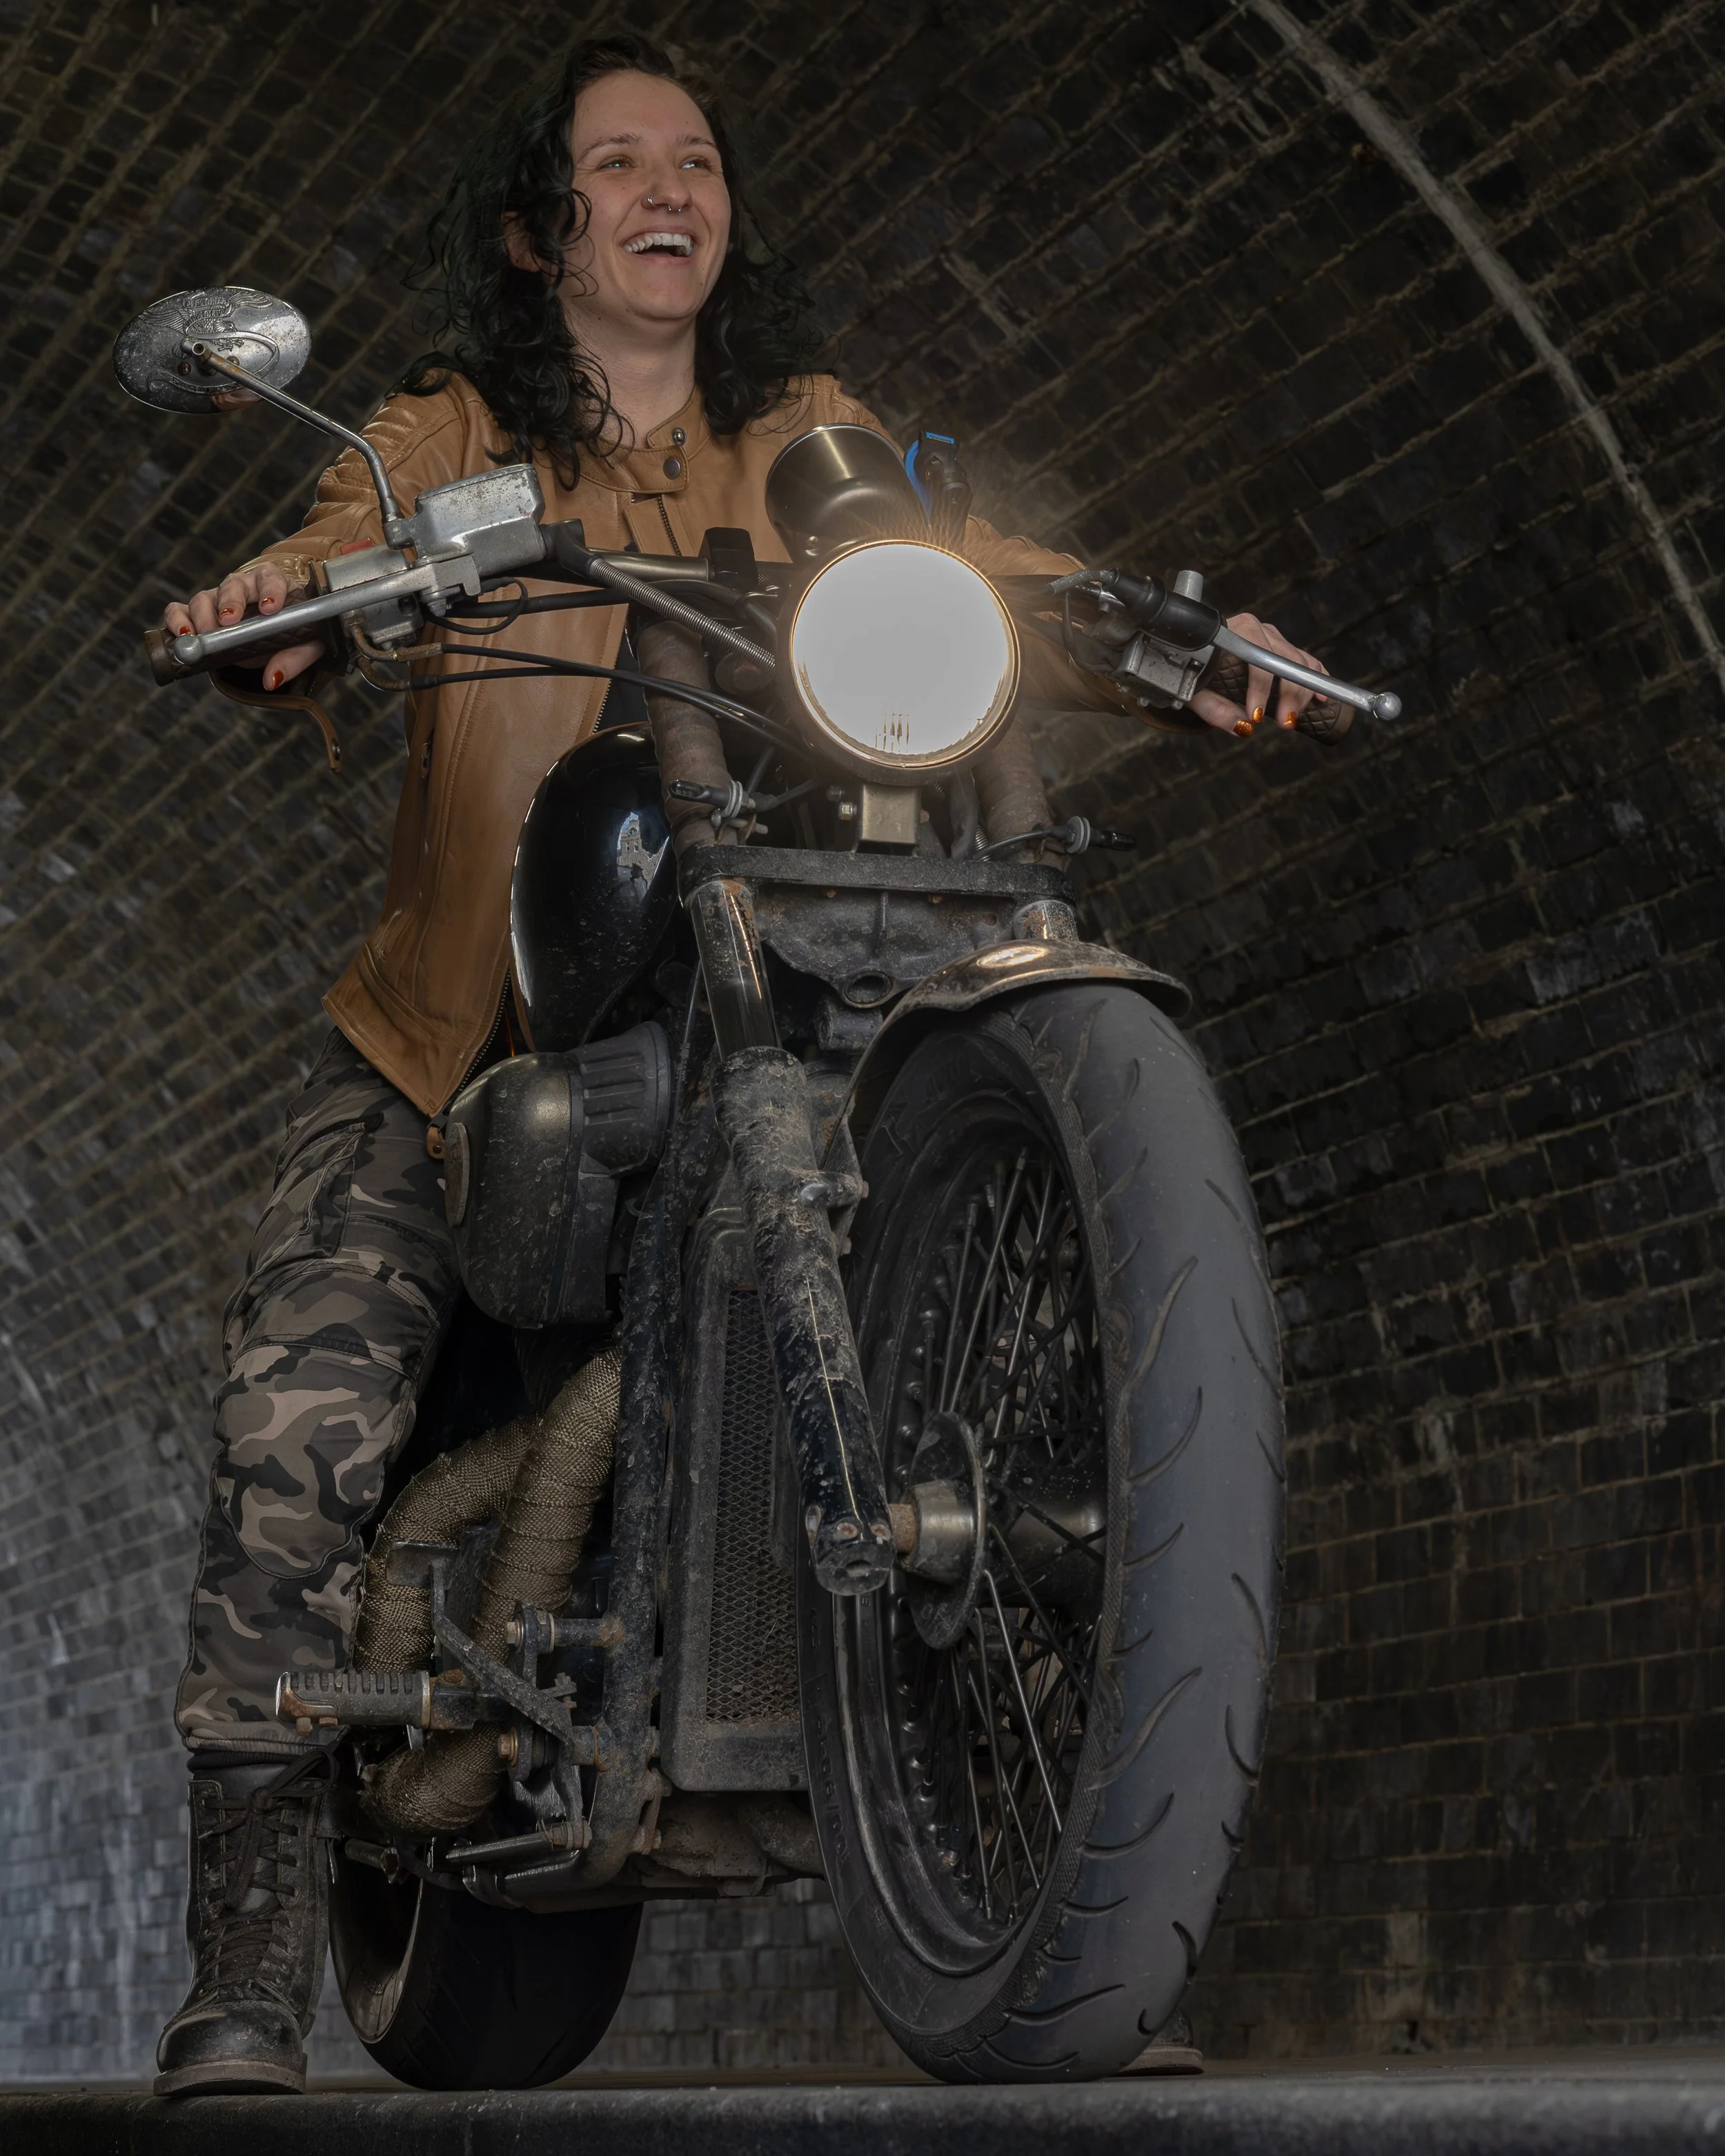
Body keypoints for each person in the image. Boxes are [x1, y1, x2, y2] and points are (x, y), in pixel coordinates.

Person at [151, 32, 1330, 2096]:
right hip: (468, 1028)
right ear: (543, 231)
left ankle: (1057, 1905)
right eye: (617, 165)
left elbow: (943, 553)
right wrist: (287, 601)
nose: (666, 188)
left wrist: (1161, 629)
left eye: (692, 158)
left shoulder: (797, 432)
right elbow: (333, 547)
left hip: (773, 969)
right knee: (296, 1424)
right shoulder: (442, 432)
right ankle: (246, 1951)